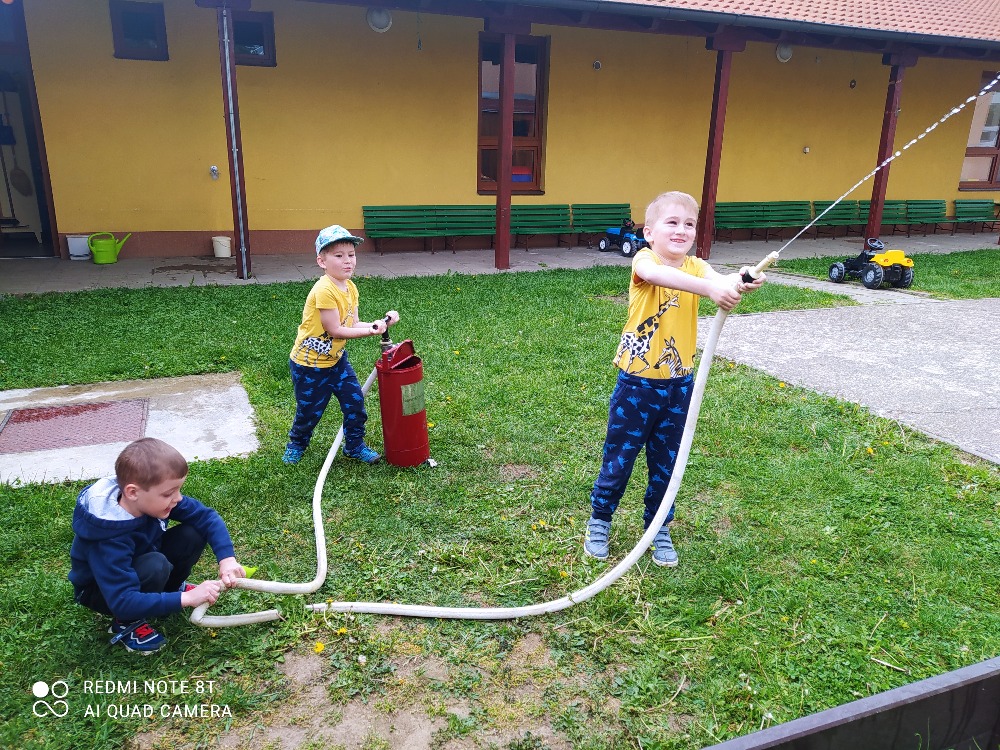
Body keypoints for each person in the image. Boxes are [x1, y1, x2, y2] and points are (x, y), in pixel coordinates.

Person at [584, 191, 765, 567]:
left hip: (679, 387)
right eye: (672, 222)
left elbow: (720, 279)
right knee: (620, 457)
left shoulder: (697, 267)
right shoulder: (645, 260)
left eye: (689, 224)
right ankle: (600, 519)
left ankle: (658, 527)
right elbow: (658, 276)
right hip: (637, 385)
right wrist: (711, 289)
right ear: (649, 233)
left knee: (666, 464)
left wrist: (741, 279)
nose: (682, 230)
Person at [69, 437, 246, 654]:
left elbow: (206, 517)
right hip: (105, 592)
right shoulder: (108, 539)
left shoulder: (150, 501)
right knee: (155, 565)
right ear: (133, 492)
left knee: (193, 532)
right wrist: (187, 599)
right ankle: (126, 622)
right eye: (168, 493)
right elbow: (122, 600)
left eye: (178, 490)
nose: (177, 499)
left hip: (142, 562)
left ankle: (170, 589)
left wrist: (227, 559)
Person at [282, 224, 399, 465]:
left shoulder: (350, 287)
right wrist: (370, 331)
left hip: (336, 361)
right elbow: (334, 329)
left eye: (351, 254)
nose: (348, 261)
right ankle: (296, 444)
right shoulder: (324, 290)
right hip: (309, 365)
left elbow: (353, 323)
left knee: (355, 402)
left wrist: (377, 324)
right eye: (338, 256)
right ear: (322, 261)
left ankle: (354, 446)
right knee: (309, 411)